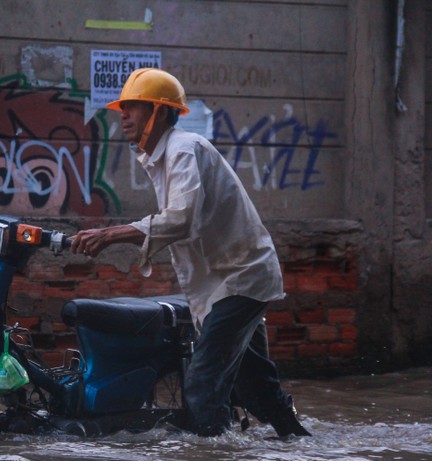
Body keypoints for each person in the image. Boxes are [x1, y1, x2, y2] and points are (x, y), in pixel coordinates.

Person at [70, 68, 311, 438]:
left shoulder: (183, 149)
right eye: (124, 108)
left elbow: (180, 219)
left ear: (160, 112)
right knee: (254, 388)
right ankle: (299, 445)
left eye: (134, 107)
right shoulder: (164, 158)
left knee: (201, 383)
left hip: (241, 280)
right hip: (228, 282)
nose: (123, 115)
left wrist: (111, 234)